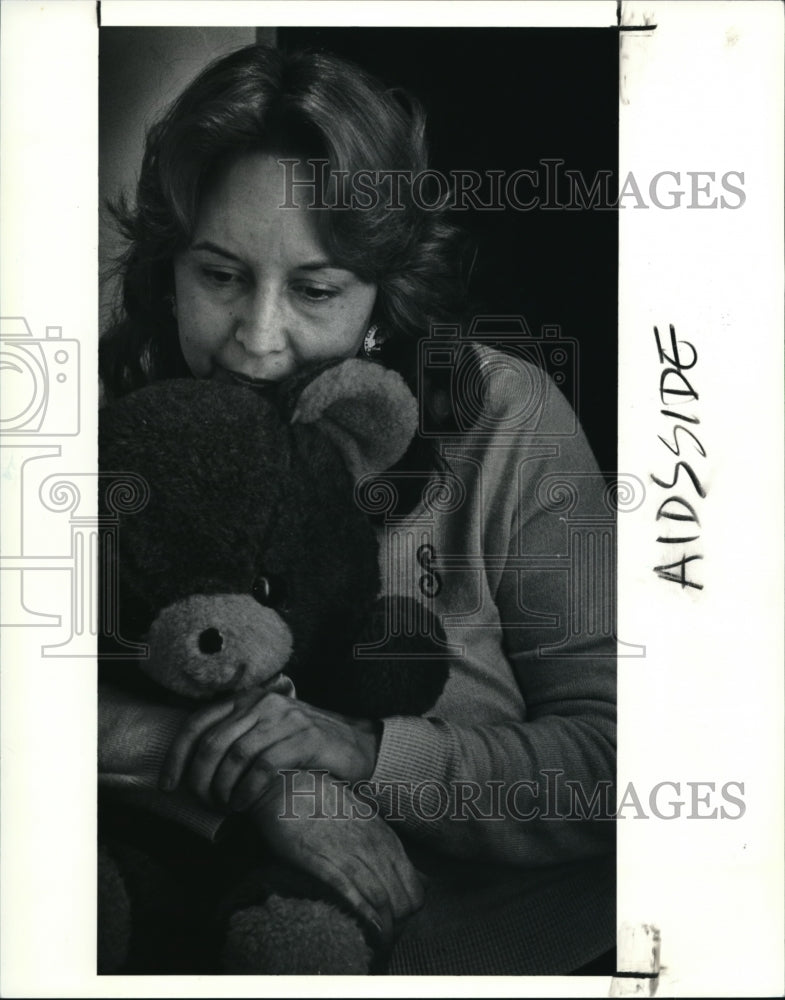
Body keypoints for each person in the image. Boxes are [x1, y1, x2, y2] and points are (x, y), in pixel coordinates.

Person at [99, 42, 616, 976]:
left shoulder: (507, 417)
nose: (257, 342)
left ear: (382, 295)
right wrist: (270, 784)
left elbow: (619, 764)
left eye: (314, 290)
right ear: (169, 264)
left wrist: (361, 753)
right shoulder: (107, 426)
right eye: (217, 276)